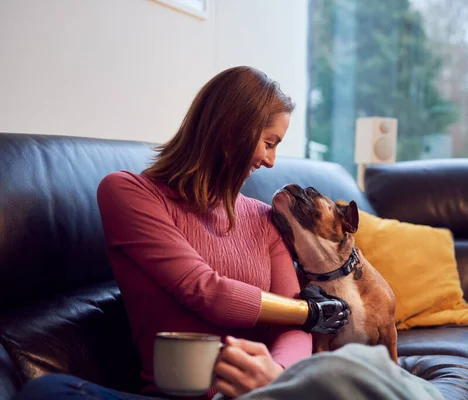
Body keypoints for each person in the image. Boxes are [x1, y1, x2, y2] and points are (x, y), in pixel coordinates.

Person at [11, 66, 443, 400]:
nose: (271, 161)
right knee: (48, 391)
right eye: (269, 142)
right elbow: (205, 291)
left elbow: (290, 334)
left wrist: (273, 381)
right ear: (230, 131)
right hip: (177, 394)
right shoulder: (128, 193)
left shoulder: (262, 217)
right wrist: (312, 313)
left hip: (265, 392)